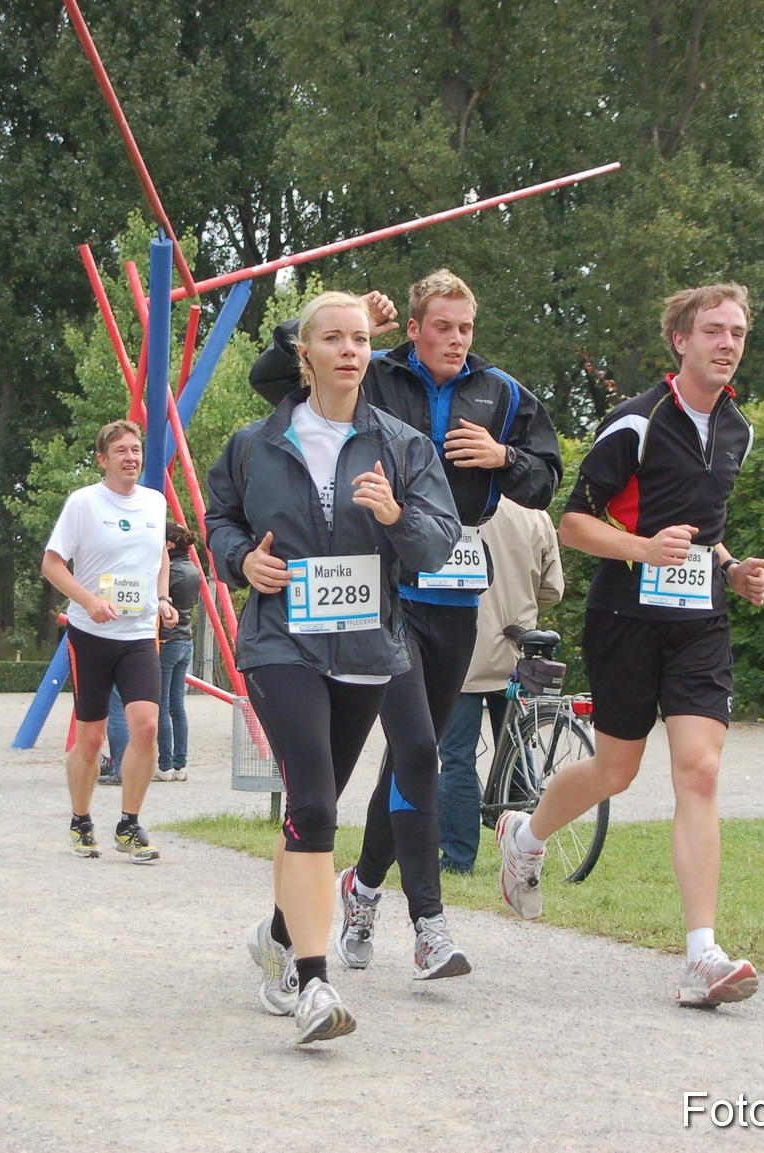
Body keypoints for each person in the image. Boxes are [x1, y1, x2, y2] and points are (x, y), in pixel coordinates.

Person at [253, 269, 562, 978]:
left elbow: (548, 476)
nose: (456, 339)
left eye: (467, 327)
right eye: (443, 326)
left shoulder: (501, 392)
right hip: (382, 586)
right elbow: (275, 377)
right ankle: (429, 923)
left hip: (456, 585)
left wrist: (504, 457)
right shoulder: (373, 373)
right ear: (414, 328)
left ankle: (356, 892)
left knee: (410, 758)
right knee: (422, 748)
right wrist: (348, 317)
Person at [496, 284, 764, 1009]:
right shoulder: (634, 423)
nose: (727, 342)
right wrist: (645, 549)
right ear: (680, 340)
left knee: (701, 771)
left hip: (700, 623)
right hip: (625, 616)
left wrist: (731, 568)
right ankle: (526, 835)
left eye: (738, 332)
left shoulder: (738, 428)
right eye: (713, 330)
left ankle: (701, 955)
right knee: (617, 768)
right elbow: (575, 525)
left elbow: (703, 534)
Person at [210, 290, 459, 1042]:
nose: (352, 350)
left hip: (364, 647)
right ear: (304, 352)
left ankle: (280, 931)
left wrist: (395, 517)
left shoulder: (403, 444)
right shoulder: (255, 442)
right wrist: (241, 559)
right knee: (315, 803)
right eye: (334, 338)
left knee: (310, 812)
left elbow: (440, 539)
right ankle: (313, 984)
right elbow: (222, 519)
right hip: (281, 640)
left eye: (361, 339)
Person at [41, 419, 178, 862]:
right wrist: (88, 600)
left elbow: (159, 553)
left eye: (136, 450)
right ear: (103, 459)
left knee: (146, 726)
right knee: (92, 738)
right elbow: (52, 564)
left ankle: (129, 824)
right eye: (121, 451)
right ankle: (81, 820)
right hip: (92, 633)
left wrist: (162, 598)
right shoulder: (83, 503)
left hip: (139, 634)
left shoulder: (155, 503)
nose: (131, 458)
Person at [436, 496, 563, 873]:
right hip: (518, 648)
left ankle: (458, 859)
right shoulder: (535, 514)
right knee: (517, 748)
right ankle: (522, 841)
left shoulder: (451, 504)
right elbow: (553, 589)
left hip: (463, 648)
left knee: (456, 755)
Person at [156, 522, 201, 782]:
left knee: (162, 705)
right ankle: (180, 764)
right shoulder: (193, 569)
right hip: (187, 639)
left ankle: (164, 764)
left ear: (169, 545)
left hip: (167, 641)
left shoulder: (169, 571)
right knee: (177, 706)